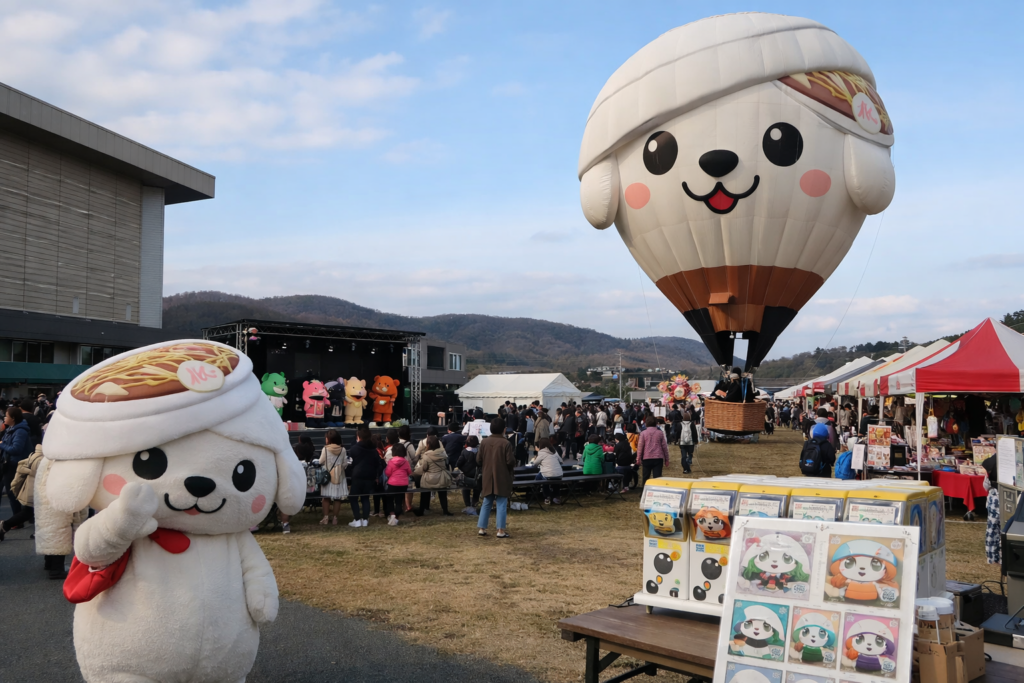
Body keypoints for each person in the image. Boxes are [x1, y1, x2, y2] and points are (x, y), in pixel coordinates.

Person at [476, 417, 515, 538]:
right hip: (502, 475)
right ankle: (500, 530)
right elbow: (510, 461)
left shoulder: (484, 442)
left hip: (487, 475)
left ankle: (482, 528)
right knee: (501, 503)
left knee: (486, 501)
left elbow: (478, 460)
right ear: (504, 429)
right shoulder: (506, 443)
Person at [0, 406, 32, 515]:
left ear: (13, 418)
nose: (4, 418)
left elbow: (16, 449)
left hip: (14, 464)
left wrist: (2, 444)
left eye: (6, 416)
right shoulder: (10, 429)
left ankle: (18, 517)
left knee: (12, 491)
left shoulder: (20, 431)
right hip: (7, 463)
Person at [347, 426, 380, 527]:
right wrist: (376, 475)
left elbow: (349, 463)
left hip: (357, 476)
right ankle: (365, 520)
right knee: (365, 497)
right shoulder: (374, 449)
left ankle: (357, 520)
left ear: (359, 437)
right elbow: (378, 463)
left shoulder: (354, 449)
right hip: (370, 476)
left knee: (353, 498)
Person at [415, 435, 454, 516]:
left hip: (429, 479)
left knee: (424, 493)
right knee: (442, 494)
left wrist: (414, 472)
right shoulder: (443, 454)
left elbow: (424, 468)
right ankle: (445, 510)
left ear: (428, 444)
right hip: (441, 478)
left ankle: (422, 509)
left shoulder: (426, 456)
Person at [318, 429, 348, 527]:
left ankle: (326, 517)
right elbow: (345, 463)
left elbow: (320, 461)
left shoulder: (325, 449)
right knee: (337, 498)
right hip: (339, 477)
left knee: (326, 498)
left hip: (328, 477)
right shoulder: (343, 450)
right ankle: (335, 518)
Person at [384, 440, 412, 526]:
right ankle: (396, 517)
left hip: (392, 483)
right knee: (399, 501)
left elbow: (387, 473)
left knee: (389, 499)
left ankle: (392, 514)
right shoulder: (406, 462)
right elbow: (409, 472)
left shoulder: (391, 462)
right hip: (403, 484)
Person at [529, 437, 562, 504]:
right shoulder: (554, 451)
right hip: (559, 474)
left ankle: (546, 496)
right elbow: (561, 461)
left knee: (541, 476)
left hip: (547, 474)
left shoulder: (541, 452)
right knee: (553, 477)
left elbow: (535, 464)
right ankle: (556, 496)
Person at [636, 416, 669, 485]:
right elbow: (664, 447)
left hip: (646, 457)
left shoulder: (643, 433)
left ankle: (644, 492)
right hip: (658, 458)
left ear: (646, 423)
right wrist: (667, 459)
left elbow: (640, 447)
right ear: (656, 423)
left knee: (645, 477)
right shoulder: (660, 433)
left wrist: (638, 459)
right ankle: (656, 492)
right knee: (657, 478)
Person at [456, 435, 482, 514]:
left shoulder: (465, 452)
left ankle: (467, 505)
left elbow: (459, 463)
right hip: (478, 475)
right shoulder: (480, 452)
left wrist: (463, 469)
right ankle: (474, 504)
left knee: (465, 489)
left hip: (466, 474)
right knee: (477, 489)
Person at [983, 455, 1000, 564]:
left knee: (994, 529)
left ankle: (994, 558)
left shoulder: (992, 462)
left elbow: (985, 485)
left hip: (994, 497)